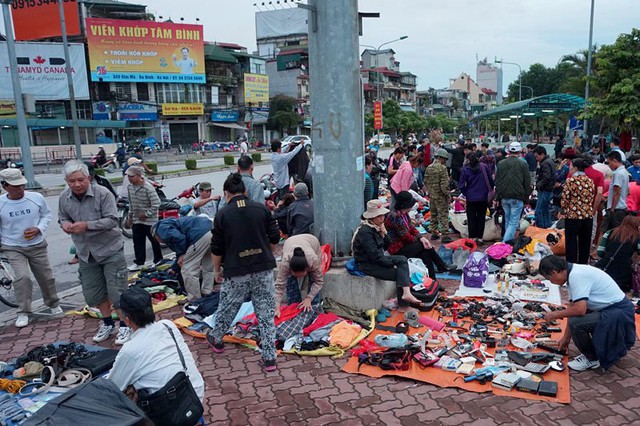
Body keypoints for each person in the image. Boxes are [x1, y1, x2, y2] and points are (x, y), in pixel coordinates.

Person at [206, 173, 280, 372]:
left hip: (236, 270)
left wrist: (216, 271)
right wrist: (266, 254)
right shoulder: (261, 209)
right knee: (265, 312)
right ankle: (269, 357)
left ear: (226, 193)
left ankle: (216, 337)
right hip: (263, 268)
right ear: (245, 191)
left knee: (228, 307)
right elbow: (275, 237)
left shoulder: (223, 214)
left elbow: (217, 247)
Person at [58, 161, 131, 344]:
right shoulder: (64, 197)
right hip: (85, 253)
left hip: (110, 249)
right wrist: (65, 224)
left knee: (117, 292)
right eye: (71, 181)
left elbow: (113, 220)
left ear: (88, 178)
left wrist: (87, 226)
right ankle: (107, 323)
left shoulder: (103, 194)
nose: (76, 184)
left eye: (80, 180)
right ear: (66, 181)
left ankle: (125, 325)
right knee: (94, 294)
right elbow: (62, 217)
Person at [539, 255, 635, 371]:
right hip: (612, 309)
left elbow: (579, 310)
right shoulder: (573, 273)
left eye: (550, 280)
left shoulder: (576, 276)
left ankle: (592, 359)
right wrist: (566, 338)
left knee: (576, 323)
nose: (552, 282)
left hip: (619, 312)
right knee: (576, 319)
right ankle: (595, 352)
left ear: (554, 272)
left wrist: (554, 315)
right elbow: (573, 308)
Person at [108, 286, 204, 401]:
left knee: (121, 392)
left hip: (172, 409)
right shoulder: (168, 325)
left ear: (127, 320)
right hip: (196, 392)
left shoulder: (129, 350)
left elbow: (113, 386)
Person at [0, 169, 61, 328]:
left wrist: (38, 229)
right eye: (15, 186)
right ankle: (24, 311)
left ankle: (53, 303)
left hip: (37, 244)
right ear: (5, 186)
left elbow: (46, 215)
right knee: (22, 277)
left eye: (21, 185)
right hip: (13, 246)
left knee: (45, 276)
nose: (20, 189)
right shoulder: (1, 203)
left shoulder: (36, 198)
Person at [352, 200, 426, 312]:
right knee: (400, 267)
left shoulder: (377, 227)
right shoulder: (365, 232)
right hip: (367, 264)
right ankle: (404, 302)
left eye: (382, 215)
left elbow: (387, 245)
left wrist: (384, 233)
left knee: (402, 266)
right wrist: (390, 264)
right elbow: (375, 256)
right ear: (372, 217)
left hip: (376, 259)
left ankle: (405, 298)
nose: (382, 218)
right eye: (379, 216)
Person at [385, 191, 454, 277]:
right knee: (425, 246)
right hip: (397, 249)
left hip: (405, 245)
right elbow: (405, 236)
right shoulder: (395, 217)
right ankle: (441, 266)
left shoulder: (404, 214)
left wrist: (421, 238)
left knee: (426, 254)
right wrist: (421, 240)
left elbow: (411, 228)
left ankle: (433, 279)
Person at [151, 216, 213, 300]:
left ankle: (194, 299)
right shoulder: (170, 223)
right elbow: (179, 247)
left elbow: (180, 239)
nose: (160, 242)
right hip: (211, 229)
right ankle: (207, 292)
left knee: (188, 269)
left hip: (198, 235)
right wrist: (175, 268)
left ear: (155, 236)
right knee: (208, 266)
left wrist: (183, 254)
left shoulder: (160, 229)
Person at [274, 234, 324, 317]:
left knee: (313, 280)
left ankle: (313, 309)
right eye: (296, 275)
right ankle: (295, 309)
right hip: (289, 242)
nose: (299, 278)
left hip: (312, 241)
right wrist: (276, 308)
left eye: (302, 275)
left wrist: (309, 298)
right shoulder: (285, 264)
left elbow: (319, 281)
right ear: (290, 270)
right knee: (291, 284)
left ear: (307, 268)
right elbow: (279, 286)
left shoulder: (313, 260)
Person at [126, 166, 163, 271]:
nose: (129, 178)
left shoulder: (148, 188)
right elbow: (131, 203)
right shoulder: (130, 187)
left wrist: (146, 214)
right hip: (137, 219)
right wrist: (130, 217)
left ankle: (158, 261)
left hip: (150, 220)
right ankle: (139, 262)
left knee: (154, 241)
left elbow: (156, 203)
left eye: (131, 176)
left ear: (138, 176)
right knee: (137, 241)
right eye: (128, 176)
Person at [495, 142, 531, 243]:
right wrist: (527, 198)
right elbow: (527, 182)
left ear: (508, 151)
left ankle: (508, 241)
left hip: (504, 196)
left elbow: (498, 181)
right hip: (517, 196)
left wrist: (497, 197)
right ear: (519, 151)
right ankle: (505, 243)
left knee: (507, 220)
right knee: (513, 222)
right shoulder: (523, 164)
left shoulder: (501, 164)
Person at [561, 158, 595, 264]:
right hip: (587, 215)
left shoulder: (571, 181)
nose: (569, 168)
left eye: (571, 166)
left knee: (571, 242)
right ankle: (583, 264)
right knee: (585, 243)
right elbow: (592, 196)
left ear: (575, 168)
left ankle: (572, 264)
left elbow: (565, 199)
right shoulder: (590, 181)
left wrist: (563, 210)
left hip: (573, 215)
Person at [595, 215, 640, 292]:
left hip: (605, 272)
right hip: (623, 277)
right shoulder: (636, 237)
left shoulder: (609, 232)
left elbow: (599, 252)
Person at [458, 152, 494, 242]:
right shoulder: (484, 167)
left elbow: (461, 185)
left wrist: (466, 192)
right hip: (483, 197)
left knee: (471, 218)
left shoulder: (465, 170)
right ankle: (480, 238)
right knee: (481, 217)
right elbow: (491, 181)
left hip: (470, 197)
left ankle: (472, 238)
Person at [423, 149, 450, 240]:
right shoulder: (442, 168)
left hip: (432, 195)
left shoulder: (429, 167)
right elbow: (444, 184)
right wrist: (447, 195)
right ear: (441, 158)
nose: (445, 161)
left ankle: (434, 233)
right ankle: (445, 234)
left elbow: (425, 181)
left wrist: (431, 191)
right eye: (445, 159)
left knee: (433, 214)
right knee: (443, 214)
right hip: (440, 195)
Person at [602, 151, 629, 233]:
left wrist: (612, 209)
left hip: (616, 208)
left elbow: (617, 193)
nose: (608, 165)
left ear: (614, 161)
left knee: (604, 231)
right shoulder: (625, 172)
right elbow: (628, 190)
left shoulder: (618, 174)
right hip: (621, 206)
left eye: (609, 162)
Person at [534, 146, 556, 229]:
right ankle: (547, 227)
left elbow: (546, 176)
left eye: (537, 156)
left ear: (542, 154)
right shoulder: (550, 161)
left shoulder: (545, 163)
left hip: (545, 190)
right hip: (549, 189)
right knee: (546, 210)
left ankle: (540, 229)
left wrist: (539, 185)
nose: (536, 159)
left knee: (539, 211)